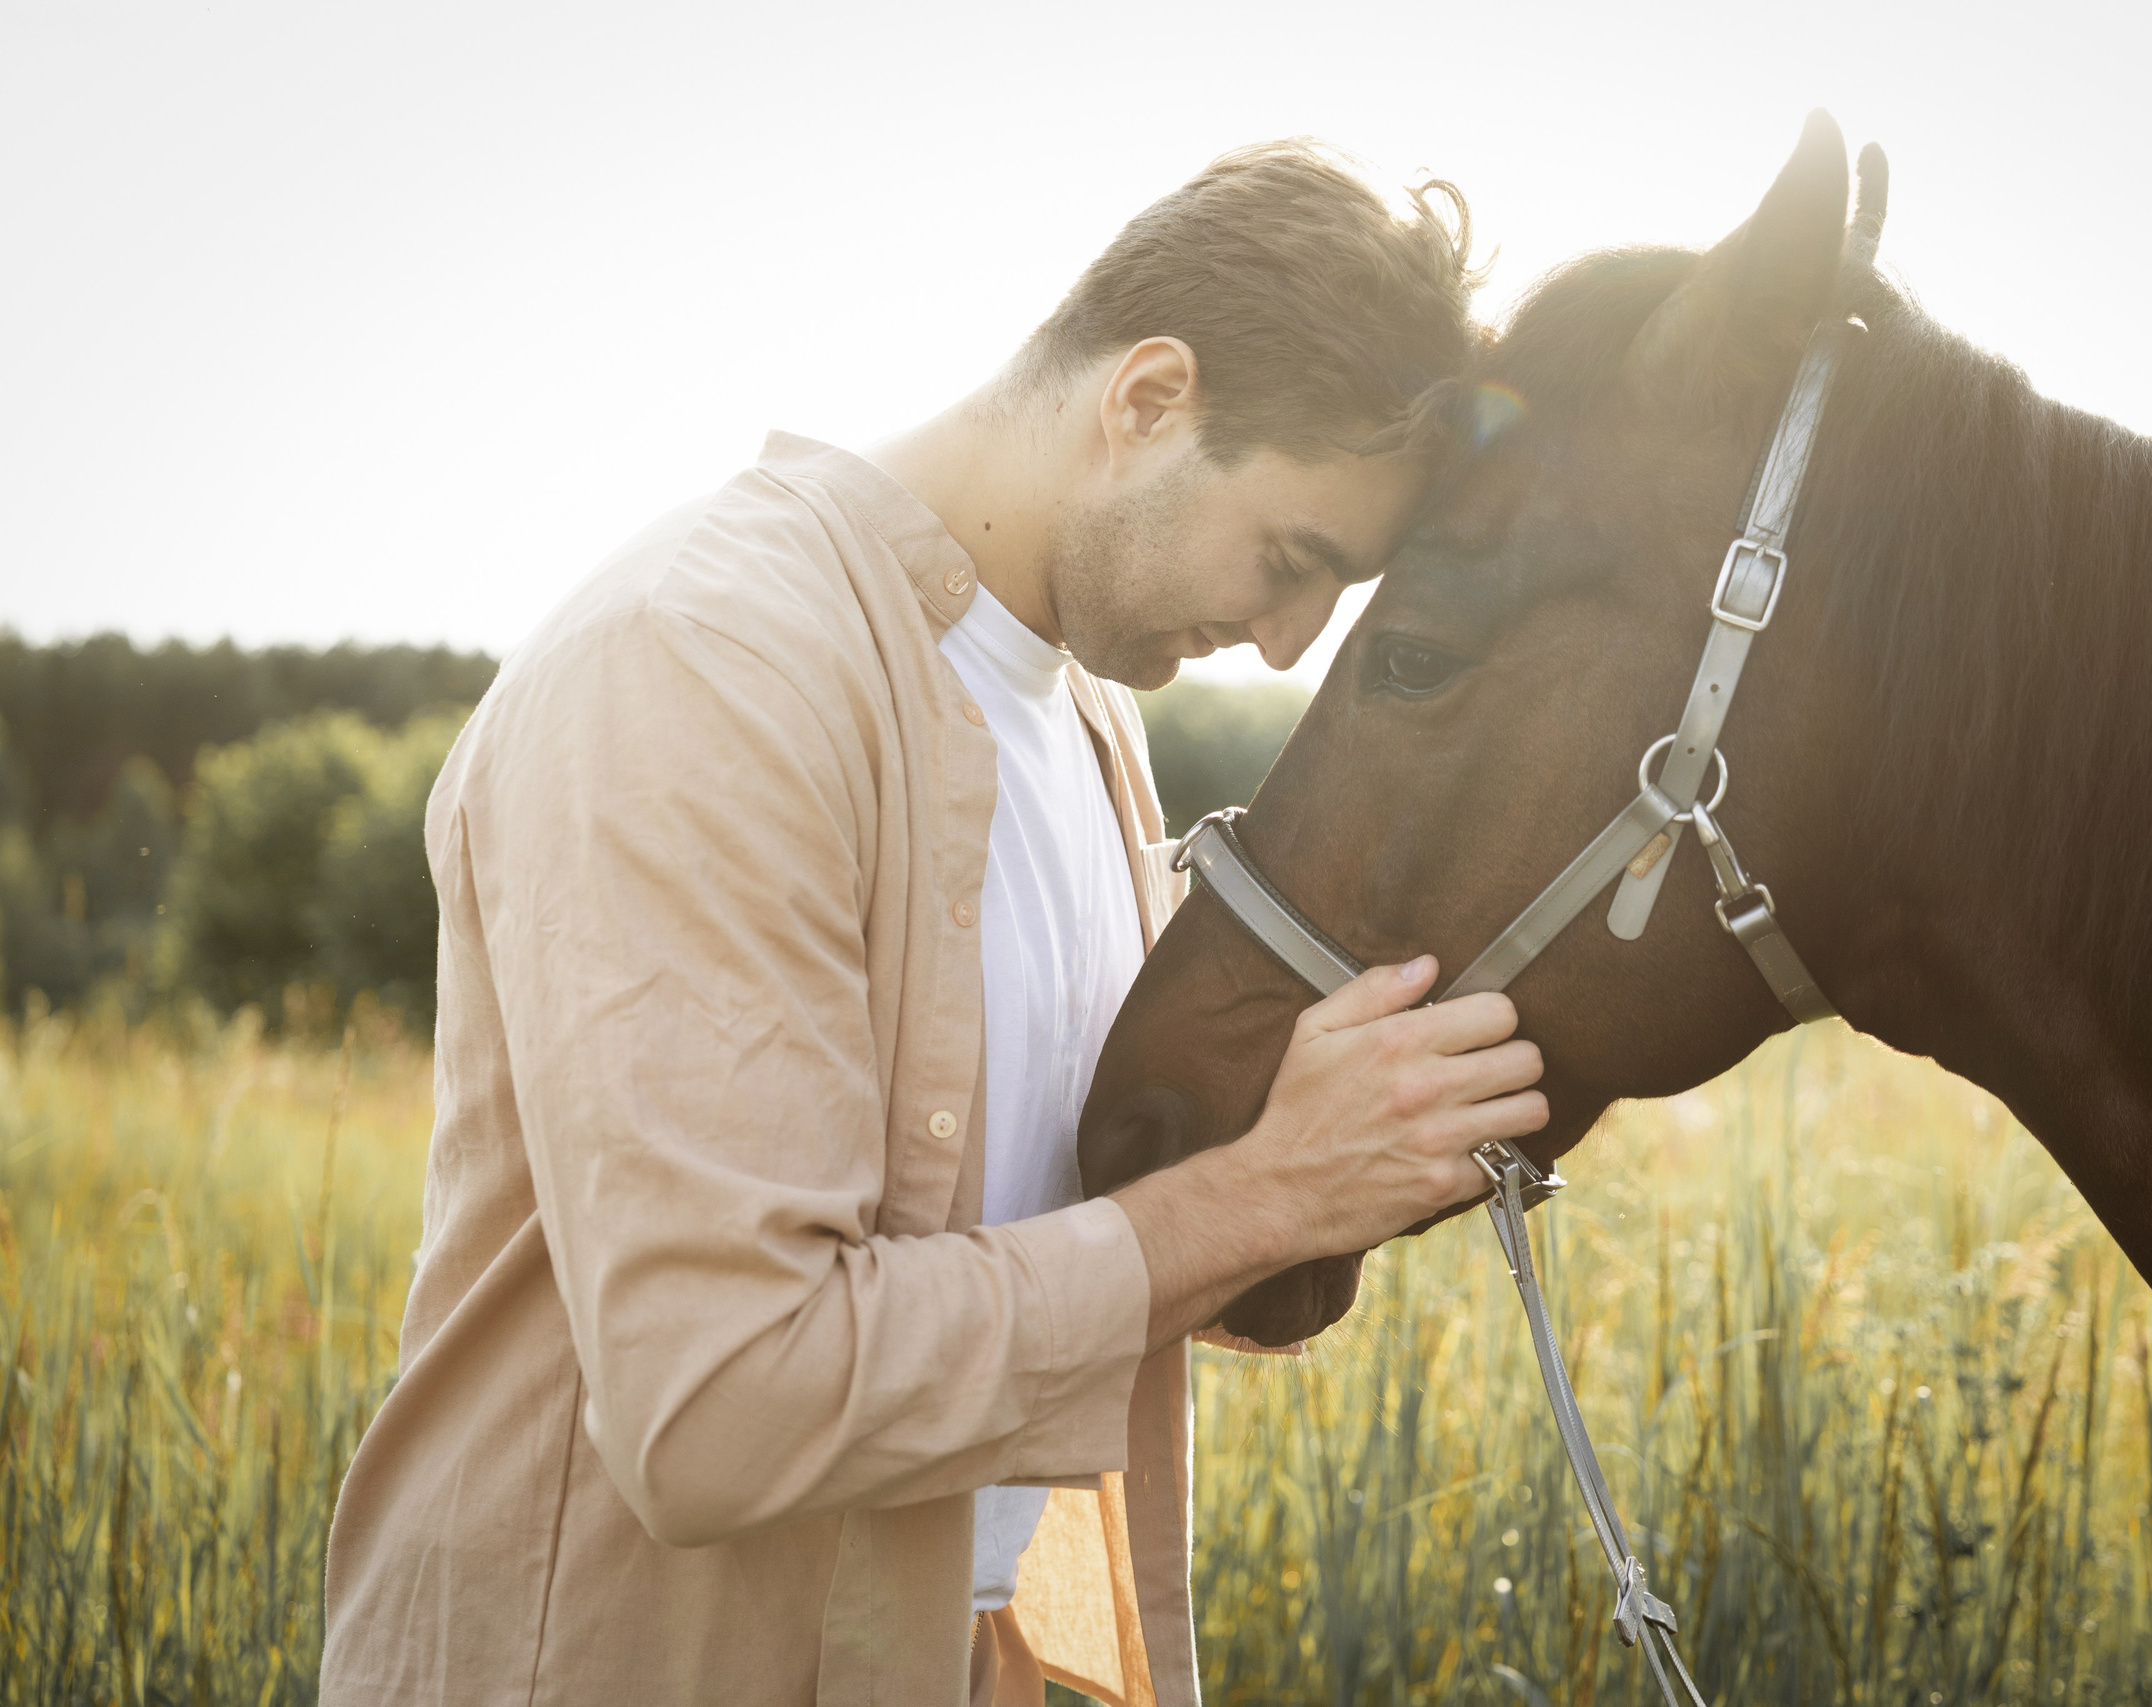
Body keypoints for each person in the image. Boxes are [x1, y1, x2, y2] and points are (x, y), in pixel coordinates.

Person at [319, 143, 1551, 1707]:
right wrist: (1263, 1195)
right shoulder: (708, 668)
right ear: (1148, 399)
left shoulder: (1089, 719)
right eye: (1294, 558)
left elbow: (1018, 1230)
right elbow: (724, 1401)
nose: (1289, 638)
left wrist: (1360, 1144)